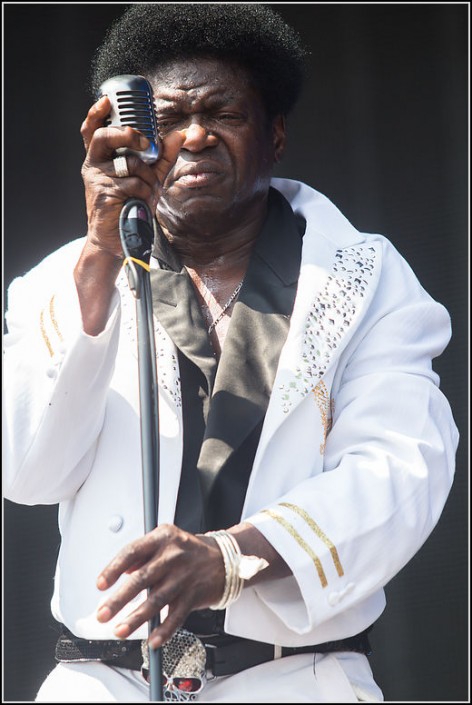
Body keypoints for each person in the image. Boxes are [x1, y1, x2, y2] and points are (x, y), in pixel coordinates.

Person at [3, 4, 459, 703]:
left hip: (298, 677)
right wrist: (99, 257)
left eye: (224, 113)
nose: (194, 135)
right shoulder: (60, 283)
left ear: (275, 136)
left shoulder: (363, 277)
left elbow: (401, 469)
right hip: (103, 680)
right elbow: (25, 472)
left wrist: (232, 556)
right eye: (168, 118)